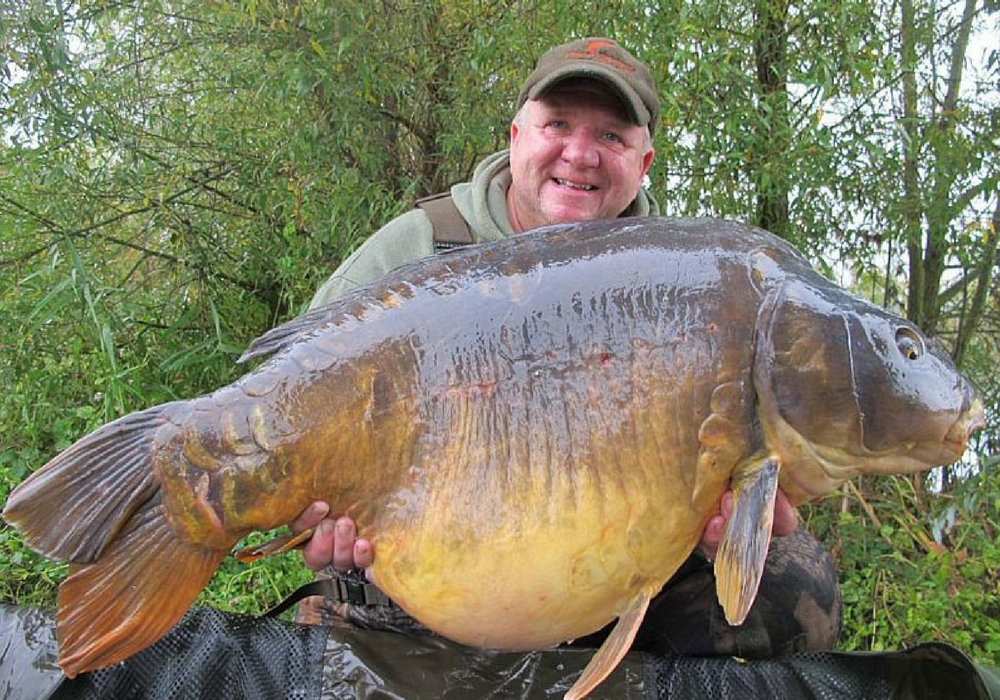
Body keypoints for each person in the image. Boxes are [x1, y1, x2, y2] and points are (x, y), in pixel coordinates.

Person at [290, 37, 842, 656]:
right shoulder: (416, 250)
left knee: (793, 586)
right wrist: (317, 515)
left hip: (607, 565)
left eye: (610, 136)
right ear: (516, 136)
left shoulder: (690, 286)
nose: (580, 154)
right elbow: (292, 404)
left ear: (643, 162)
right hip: (428, 572)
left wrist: (723, 528)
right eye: (558, 124)